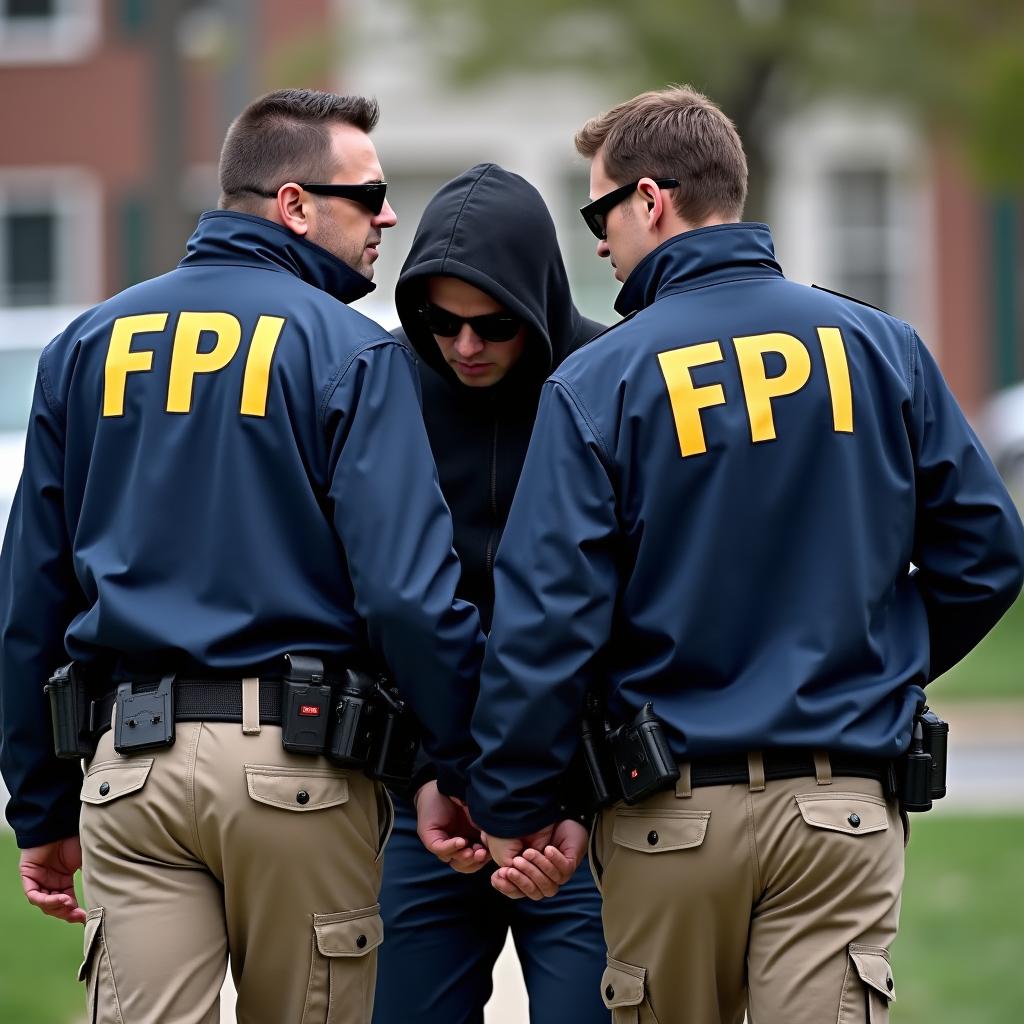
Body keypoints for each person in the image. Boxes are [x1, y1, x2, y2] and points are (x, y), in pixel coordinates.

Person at [466, 86, 1024, 1024]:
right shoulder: (878, 346)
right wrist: (877, 666)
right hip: (841, 806)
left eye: (599, 212)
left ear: (650, 200)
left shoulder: (601, 380)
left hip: (669, 815)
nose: (598, 243)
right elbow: (988, 550)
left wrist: (515, 801)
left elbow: (546, 623)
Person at [0, 88, 484, 1024]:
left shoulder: (87, 345)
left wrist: (42, 804)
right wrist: (459, 768)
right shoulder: (350, 349)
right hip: (301, 769)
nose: (388, 214)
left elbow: (31, 595)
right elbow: (409, 596)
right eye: (368, 194)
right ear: (294, 204)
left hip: (130, 771)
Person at [370, 163, 609, 1024]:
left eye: (495, 325)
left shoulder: (611, 377)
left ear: (539, 302)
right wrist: (449, 773)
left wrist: (552, 795)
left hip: (585, 802)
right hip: (425, 795)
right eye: (440, 322)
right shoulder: (382, 383)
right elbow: (376, 597)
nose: (465, 347)